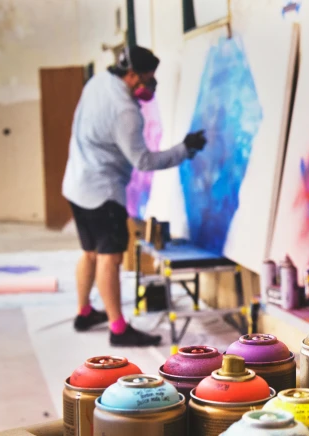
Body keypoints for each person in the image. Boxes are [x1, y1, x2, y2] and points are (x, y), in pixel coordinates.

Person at [62, 45, 207, 347]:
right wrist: (184, 149)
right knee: (109, 258)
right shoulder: (126, 112)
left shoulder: (98, 82)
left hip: (76, 184)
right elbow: (144, 161)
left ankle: (84, 311)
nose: (151, 85)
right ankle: (118, 329)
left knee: (89, 252)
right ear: (130, 75)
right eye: (147, 79)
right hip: (102, 192)